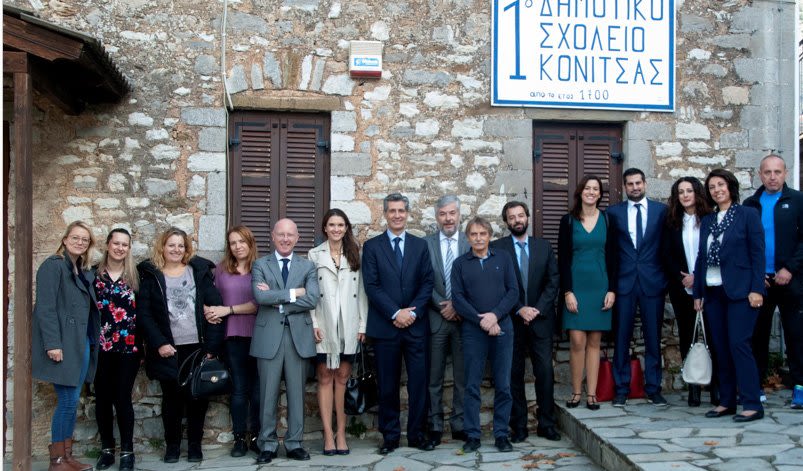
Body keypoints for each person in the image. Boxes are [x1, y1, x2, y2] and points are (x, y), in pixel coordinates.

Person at [138, 227, 225, 463]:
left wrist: (211, 349)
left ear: (186, 249)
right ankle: (173, 447)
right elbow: (144, 315)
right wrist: (160, 343)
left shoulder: (199, 273)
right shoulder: (152, 276)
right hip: (168, 349)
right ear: (162, 247)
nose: (176, 249)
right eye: (171, 245)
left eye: (181, 245)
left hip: (197, 347)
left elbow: (215, 309)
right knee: (171, 400)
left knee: (198, 398)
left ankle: (195, 446)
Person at [362, 193, 435, 454]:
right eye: (392, 211)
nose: (397, 215)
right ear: (385, 214)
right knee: (387, 385)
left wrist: (411, 313)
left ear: (407, 213)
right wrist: (395, 313)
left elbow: (427, 282)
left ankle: (417, 434)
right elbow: (372, 285)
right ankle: (390, 436)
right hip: (385, 327)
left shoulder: (420, 245)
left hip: (416, 326)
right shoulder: (372, 247)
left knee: (419, 384)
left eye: (401, 210)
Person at [693, 168, 766, 422]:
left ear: (730, 187)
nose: (717, 190)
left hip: (742, 293)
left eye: (720, 185)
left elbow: (758, 254)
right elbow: (701, 257)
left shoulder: (747, 215)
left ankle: (752, 403)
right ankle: (726, 401)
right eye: (712, 187)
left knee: (739, 345)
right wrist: (698, 293)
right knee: (721, 348)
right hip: (714, 293)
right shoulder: (708, 220)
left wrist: (757, 289)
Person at [250, 219, 320, 464]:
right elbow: (260, 297)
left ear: (297, 237)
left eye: (290, 235)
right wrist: (294, 293)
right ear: (273, 236)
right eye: (281, 234)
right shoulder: (260, 264)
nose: (285, 239)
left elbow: (312, 299)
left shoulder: (308, 266)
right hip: (268, 336)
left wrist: (279, 302)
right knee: (267, 394)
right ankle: (267, 444)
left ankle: (294, 443)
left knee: (297, 393)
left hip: (298, 336)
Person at [32, 221, 100, 471]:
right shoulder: (53, 265)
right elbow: (46, 308)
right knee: (68, 401)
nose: (80, 242)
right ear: (65, 239)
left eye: (85, 239)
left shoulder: (79, 269)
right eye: (75, 237)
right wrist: (52, 344)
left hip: (81, 342)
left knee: (72, 401)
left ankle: (67, 457)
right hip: (63, 344)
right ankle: (57, 461)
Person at [490, 201, 560, 442]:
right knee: (513, 374)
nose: (517, 220)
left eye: (520, 215)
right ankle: (518, 426)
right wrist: (519, 308)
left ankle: (546, 424)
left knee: (545, 372)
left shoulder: (544, 246)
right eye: (511, 217)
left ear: (528, 217)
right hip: (511, 320)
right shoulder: (497, 248)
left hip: (541, 320)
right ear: (506, 222)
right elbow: (497, 285)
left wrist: (537, 309)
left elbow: (553, 281)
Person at [452, 216, 519, 453]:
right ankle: (472, 435)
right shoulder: (460, 264)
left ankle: (501, 434)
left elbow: (513, 292)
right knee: (472, 384)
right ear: (468, 238)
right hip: (473, 331)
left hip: (503, 329)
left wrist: (495, 316)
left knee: (503, 384)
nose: (478, 238)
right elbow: (458, 299)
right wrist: (482, 320)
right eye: (474, 234)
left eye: (483, 234)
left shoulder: (504, 258)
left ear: (490, 236)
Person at [606, 168, 669, 407]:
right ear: (624, 187)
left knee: (653, 338)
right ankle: (621, 388)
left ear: (645, 183)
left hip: (653, 282)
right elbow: (610, 250)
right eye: (630, 184)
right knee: (622, 337)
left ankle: (653, 388)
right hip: (624, 283)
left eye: (638, 183)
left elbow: (667, 246)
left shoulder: (661, 211)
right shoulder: (613, 213)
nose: (634, 187)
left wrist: (665, 278)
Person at [307, 209, 368, 455]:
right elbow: (311, 293)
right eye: (332, 225)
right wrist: (313, 323)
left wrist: (362, 325)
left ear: (346, 228)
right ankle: (327, 435)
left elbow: (362, 292)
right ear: (325, 228)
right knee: (324, 378)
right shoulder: (314, 255)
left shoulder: (355, 254)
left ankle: (341, 433)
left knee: (342, 378)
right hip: (324, 323)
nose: (336, 229)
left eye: (340, 225)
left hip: (349, 324)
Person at [745, 154, 803, 408]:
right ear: (760, 174)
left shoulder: (798, 201)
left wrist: (789, 268)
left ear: (785, 173)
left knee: (796, 335)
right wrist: (756, 275)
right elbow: (744, 243)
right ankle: (755, 386)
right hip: (761, 283)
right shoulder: (750, 204)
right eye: (767, 172)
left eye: (777, 172)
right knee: (757, 335)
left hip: (791, 280)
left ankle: (800, 388)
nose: (772, 177)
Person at [558, 176, 618, 411]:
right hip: (576, 287)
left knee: (594, 341)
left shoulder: (608, 220)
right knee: (577, 340)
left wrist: (612, 290)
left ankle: (592, 394)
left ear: (600, 194)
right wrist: (567, 292)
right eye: (587, 188)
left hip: (600, 286)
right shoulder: (568, 221)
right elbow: (563, 259)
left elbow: (614, 258)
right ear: (580, 192)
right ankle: (576, 392)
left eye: (596, 189)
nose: (591, 192)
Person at [204, 226, 260, 457]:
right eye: (233, 242)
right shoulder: (220, 270)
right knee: (238, 390)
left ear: (250, 243)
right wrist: (208, 311)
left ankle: (256, 437)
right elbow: (206, 297)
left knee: (258, 391)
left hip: (259, 337)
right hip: (232, 337)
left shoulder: (261, 269)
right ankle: (239, 439)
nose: (237, 246)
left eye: (241, 241)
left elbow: (259, 303)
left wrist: (228, 309)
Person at [663, 177, 714, 407]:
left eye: (689, 191)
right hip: (682, 287)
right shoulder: (672, 222)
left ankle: (716, 387)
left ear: (697, 193)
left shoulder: (710, 219)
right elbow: (666, 254)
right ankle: (693, 387)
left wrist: (698, 276)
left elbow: (716, 251)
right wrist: (683, 277)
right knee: (687, 336)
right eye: (681, 192)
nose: (685, 195)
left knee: (713, 335)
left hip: (709, 285)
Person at [93, 228, 141, 471]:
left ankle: (127, 451)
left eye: (125, 244)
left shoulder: (136, 276)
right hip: (100, 347)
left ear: (129, 248)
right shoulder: (93, 275)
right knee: (102, 398)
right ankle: (107, 449)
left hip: (128, 348)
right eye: (116, 243)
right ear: (107, 245)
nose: (120, 248)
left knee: (122, 398)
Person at [425, 195, 469, 445]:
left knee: (462, 377)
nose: (448, 218)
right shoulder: (426, 244)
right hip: (437, 317)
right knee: (434, 378)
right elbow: (423, 280)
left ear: (459, 215)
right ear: (436, 217)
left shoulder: (470, 242)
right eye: (443, 214)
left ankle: (459, 424)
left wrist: (458, 306)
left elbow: (475, 279)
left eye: (452, 213)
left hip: (464, 320)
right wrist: (442, 305)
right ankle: (434, 425)